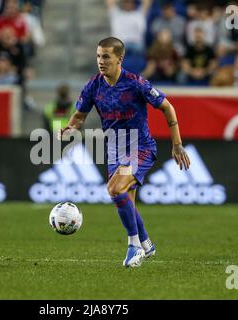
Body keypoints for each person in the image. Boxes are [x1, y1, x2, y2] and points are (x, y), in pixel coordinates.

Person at [59, 37, 190, 268]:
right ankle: (146, 244)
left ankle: (134, 247)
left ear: (120, 58)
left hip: (140, 147)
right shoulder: (93, 85)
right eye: (98, 56)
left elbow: (167, 107)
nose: (101, 61)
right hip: (114, 150)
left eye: (106, 56)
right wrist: (70, 127)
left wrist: (177, 144)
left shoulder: (136, 83)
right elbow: (80, 116)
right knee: (125, 200)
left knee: (114, 188)